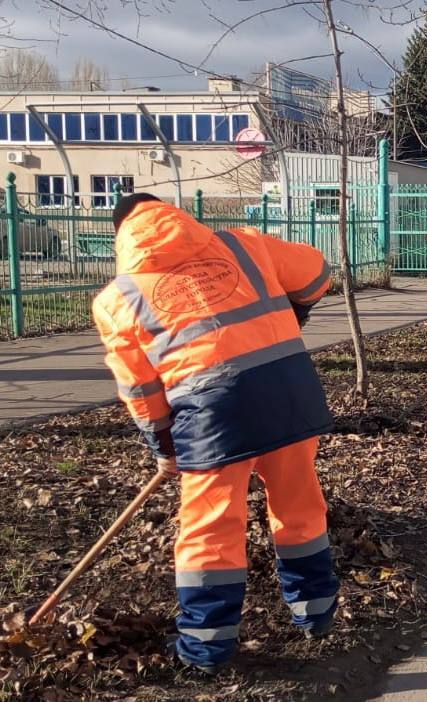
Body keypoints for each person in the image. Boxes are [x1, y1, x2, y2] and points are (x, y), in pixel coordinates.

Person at [92, 194, 339, 674]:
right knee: (299, 504)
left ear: (121, 236)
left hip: (211, 414)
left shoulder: (117, 298)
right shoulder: (243, 245)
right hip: (290, 392)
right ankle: (316, 613)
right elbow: (316, 274)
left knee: (212, 526)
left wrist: (162, 442)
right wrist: (295, 304)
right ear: (177, 217)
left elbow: (140, 387)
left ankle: (206, 646)